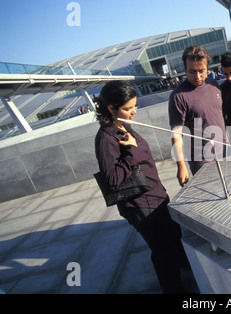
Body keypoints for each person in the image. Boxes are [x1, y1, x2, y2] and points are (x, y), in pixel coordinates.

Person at [94, 81, 190, 293]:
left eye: (134, 106)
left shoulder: (122, 126)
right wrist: (131, 152)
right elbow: (112, 179)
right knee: (161, 250)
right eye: (128, 108)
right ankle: (173, 289)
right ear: (111, 108)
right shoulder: (106, 138)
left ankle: (185, 267)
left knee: (172, 237)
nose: (134, 111)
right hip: (141, 204)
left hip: (154, 195)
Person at [168, 46, 227, 187]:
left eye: (202, 71)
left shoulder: (214, 85)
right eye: (192, 72)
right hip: (201, 160)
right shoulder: (178, 96)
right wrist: (181, 166)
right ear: (184, 68)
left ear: (208, 67)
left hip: (225, 151)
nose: (198, 76)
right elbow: (176, 134)